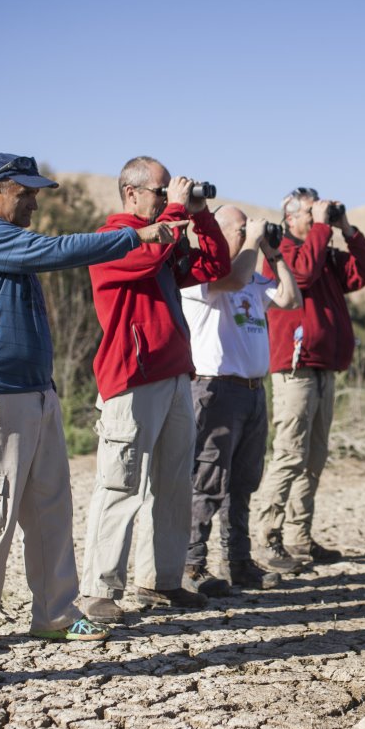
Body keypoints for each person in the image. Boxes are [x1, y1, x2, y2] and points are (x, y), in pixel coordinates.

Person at [0, 153, 186, 653]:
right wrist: (136, 236)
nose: (35, 201)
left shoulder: (9, 239)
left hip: (37, 391)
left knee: (51, 509)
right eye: (25, 192)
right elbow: (59, 251)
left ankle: (55, 612)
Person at [79, 157, 231, 621]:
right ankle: (98, 590)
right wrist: (174, 214)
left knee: (172, 484)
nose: (168, 199)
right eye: (160, 192)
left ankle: (160, 581)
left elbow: (215, 264)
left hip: (172, 375)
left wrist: (201, 215)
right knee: (120, 483)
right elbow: (145, 256)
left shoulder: (163, 240)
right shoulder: (113, 238)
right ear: (131, 193)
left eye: (169, 193)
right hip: (130, 377)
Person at [256, 188, 365, 571]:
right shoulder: (282, 252)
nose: (317, 216)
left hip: (324, 365)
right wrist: (323, 230)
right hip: (294, 367)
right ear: (290, 217)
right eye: (310, 211)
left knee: (314, 458)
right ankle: (268, 538)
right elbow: (303, 275)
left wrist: (348, 229)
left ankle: (299, 537)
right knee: (290, 454)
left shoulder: (322, 249)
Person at [181, 207, 302, 592]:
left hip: (252, 390)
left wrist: (274, 251)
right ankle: (191, 564)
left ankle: (237, 561)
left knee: (243, 483)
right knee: (207, 479)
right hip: (216, 390)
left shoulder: (252, 279)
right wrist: (253, 240)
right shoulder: (205, 276)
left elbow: (290, 298)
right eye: (240, 227)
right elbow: (232, 279)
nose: (248, 231)